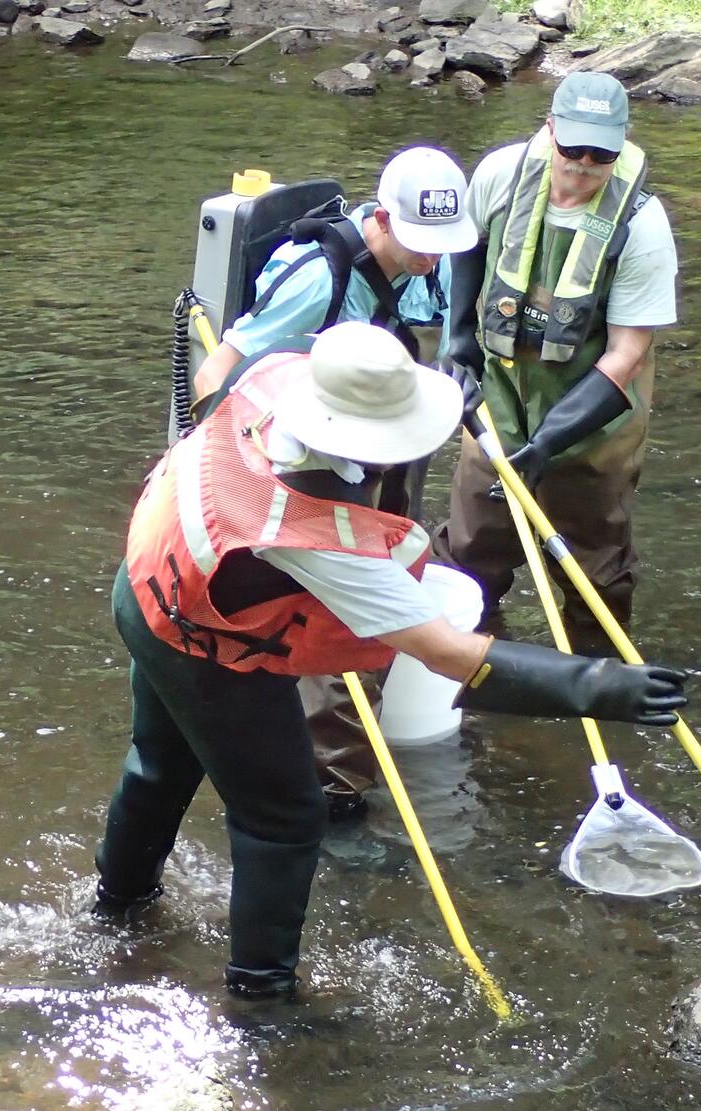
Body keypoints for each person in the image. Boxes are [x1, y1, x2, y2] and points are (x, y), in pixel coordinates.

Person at [94, 323, 687, 1000]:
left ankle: (117, 910)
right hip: (203, 639)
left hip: (146, 586)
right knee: (285, 816)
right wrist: (605, 687)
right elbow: (448, 653)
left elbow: (217, 388)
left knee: (160, 764)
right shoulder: (312, 535)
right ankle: (262, 999)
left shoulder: (271, 376)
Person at [192, 146, 480, 822]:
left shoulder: (421, 270)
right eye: (421, 244)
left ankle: (345, 759)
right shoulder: (316, 280)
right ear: (382, 217)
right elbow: (218, 375)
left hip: (375, 454)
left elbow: (434, 334)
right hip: (304, 471)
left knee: (390, 591)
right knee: (338, 622)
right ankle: (335, 791)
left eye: (444, 247)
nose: (434, 259)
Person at [432, 72, 679, 652]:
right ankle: (471, 674)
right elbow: (466, 249)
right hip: (501, 401)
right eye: (574, 148)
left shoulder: (643, 224)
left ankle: (596, 676)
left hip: (595, 420)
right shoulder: (500, 175)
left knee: (592, 564)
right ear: (550, 130)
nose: (585, 164)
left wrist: (547, 446)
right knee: (470, 552)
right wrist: (459, 343)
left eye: (602, 153)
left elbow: (627, 353)